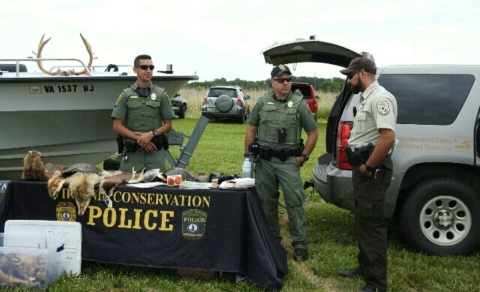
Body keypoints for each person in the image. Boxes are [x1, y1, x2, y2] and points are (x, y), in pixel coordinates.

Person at [244, 64, 318, 262]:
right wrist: (248, 157)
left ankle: (300, 246)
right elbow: (251, 129)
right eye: (281, 80)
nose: (286, 84)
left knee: (294, 203)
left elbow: (313, 132)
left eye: (288, 80)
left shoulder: (299, 104)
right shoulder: (262, 102)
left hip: (289, 162)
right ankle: (272, 242)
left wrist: (303, 156)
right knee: (267, 203)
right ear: (272, 82)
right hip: (265, 162)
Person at [337, 57, 397, 292]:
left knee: (372, 226)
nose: (348, 81)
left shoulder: (379, 98)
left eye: (349, 76)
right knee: (363, 220)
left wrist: (368, 166)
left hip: (372, 170)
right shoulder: (367, 98)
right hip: (364, 169)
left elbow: (387, 137)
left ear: (362, 73)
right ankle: (365, 267)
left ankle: (376, 284)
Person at [111, 54, 174, 173]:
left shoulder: (161, 94)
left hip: (155, 153)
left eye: (151, 67)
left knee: (158, 186)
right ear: (135, 69)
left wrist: (151, 134)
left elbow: (168, 125)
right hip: (133, 154)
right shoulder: (126, 95)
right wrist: (141, 139)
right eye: (144, 67)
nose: (148, 71)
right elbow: (117, 126)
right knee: (127, 186)